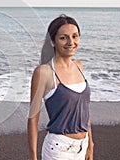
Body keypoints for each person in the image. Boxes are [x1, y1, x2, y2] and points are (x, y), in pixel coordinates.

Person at [27, 14, 94, 160]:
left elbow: (85, 110)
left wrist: (90, 144)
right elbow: (33, 119)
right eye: (63, 37)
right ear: (53, 41)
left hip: (83, 145)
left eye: (75, 36)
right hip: (59, 150)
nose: (71, 42)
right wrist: (33, 157)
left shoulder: (79, 66)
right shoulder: (44, 72)